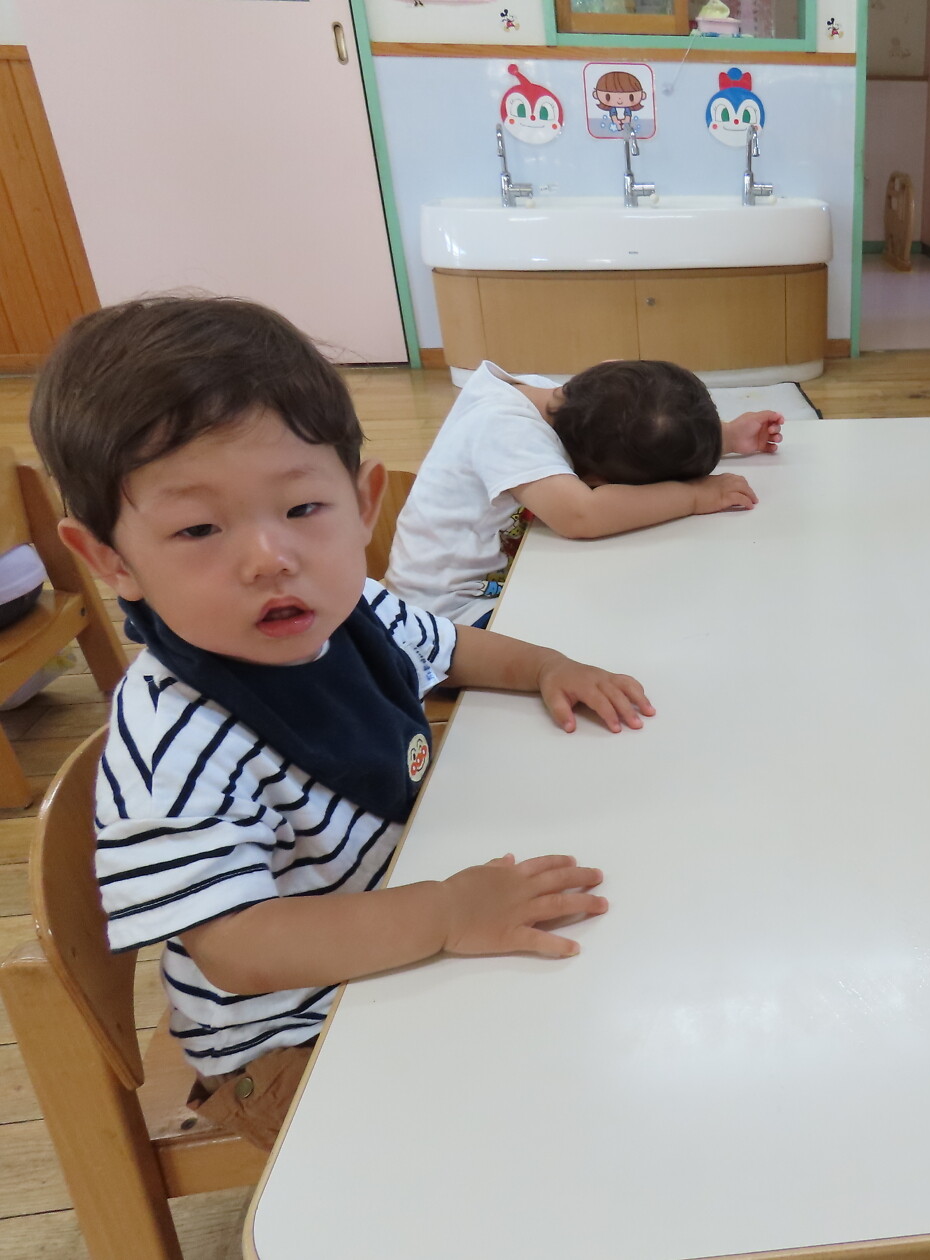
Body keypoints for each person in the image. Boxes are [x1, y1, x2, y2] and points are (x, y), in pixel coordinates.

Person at [30, 296, 656, 1150]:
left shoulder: (348, 606)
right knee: (532, 1131)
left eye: (301, 509)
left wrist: (546, 665)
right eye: (199, 528)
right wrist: (446, 911)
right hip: (288, 1042)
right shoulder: (177, 742)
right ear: (110, 560)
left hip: (394, 932)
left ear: (363, 504)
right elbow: (238, 947)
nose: (270, 558)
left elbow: (449, 648)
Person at [383, 358, 783, 625]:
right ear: (594, 478)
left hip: (506, 584)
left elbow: (633, 415)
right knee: (619, 622)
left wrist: (724, 437)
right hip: (446, 619)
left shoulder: (560, 404)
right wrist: (695, 496)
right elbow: (582, 515)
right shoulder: (504, 428)